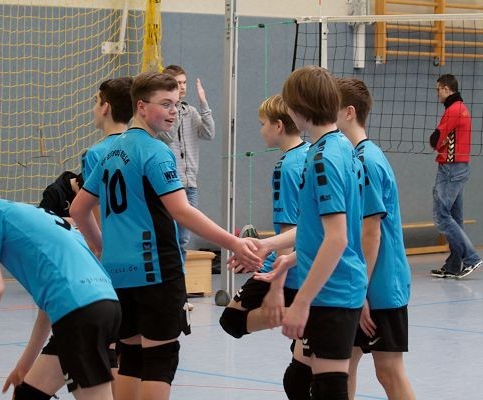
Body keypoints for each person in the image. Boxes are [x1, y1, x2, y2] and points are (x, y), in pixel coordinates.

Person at [70, 71, 261, 400]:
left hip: (118, 272)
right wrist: (233, 243)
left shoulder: (111, 151)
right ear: (141, 107)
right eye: (166, 104)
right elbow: (182, 211)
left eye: (176, 104)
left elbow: (78, 209)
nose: (174, 111)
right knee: (160, 358)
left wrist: (103, 248)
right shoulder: (156, 151)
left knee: (131, 356)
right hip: (156, 269)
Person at [232, 66, 367, 400]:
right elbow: (316, 228)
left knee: (327, 388)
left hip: (332, 289)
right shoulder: (339, 147)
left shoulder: (323, 158)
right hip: (335, 285)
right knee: (314, 384)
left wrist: (301, 301)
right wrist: (278, 253)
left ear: (297, 107)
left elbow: (337, 237)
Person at [0, 167, 121, 400]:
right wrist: (24, 366)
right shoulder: (30, 214)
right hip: (103, 304)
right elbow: (47, 310)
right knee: (26, 394)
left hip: (80, 313)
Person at [335, 77, 415, 400]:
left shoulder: (367, 161)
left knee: (388, 371)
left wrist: (361, 291)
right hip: (363, 283)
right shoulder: (356, 157)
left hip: (380, 286)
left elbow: (372, 233)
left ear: (349, 112)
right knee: (343, 366)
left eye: (332, 108)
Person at [219, 94, 309, 340]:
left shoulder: (287, 167)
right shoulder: (311, 153)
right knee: (302, 354)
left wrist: (277, 283)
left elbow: (289, 228)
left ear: (278, 126)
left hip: (290, 265)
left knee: (232, 320)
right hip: (305, 259)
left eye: (263, 124)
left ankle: (315, 315)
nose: (261, 131)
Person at [429, 74, 483, 278]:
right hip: (458, 167)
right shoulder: (461, 108)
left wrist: (438, 142)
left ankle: (472, 258)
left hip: (450, 169)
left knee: (441, 215)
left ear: (446, 88)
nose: (437, 94)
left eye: (438, 90)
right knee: (455, 218)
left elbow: (435, 140)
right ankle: (453, 265)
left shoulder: (453, 110)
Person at [157, 64, 215, 253]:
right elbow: (169, 136)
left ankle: (180, 270)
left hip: (190, 184)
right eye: (177, 83)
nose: (182, 87)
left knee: (184, 238)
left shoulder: (190, 111)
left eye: (184, 83)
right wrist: (172, 108)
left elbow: (209, 133)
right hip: (171, 183)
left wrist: (203, 103)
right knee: (170, 236)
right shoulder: (162, 114)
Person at [81, 77, 134, 226]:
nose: (93, 109)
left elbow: (97, 212)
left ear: (105, 107)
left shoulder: (94, 154)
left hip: (113, 234)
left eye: (96, 101)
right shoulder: (142, 146)